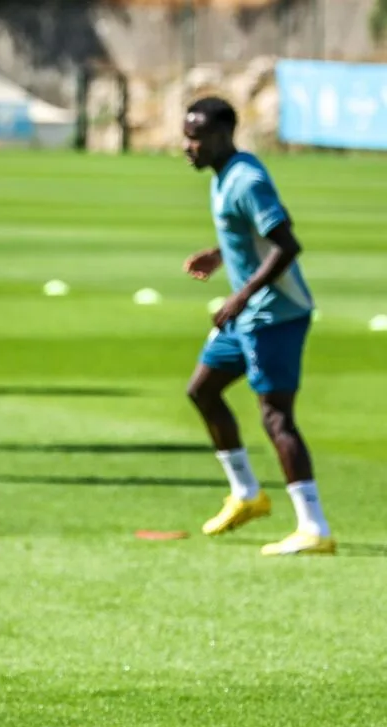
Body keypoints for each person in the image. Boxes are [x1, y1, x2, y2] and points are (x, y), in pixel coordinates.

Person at [181, 97, 332, 555]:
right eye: (186, 135)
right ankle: (248, 494)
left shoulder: (246, 180)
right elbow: (251, 235)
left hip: (274, 315)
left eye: (197, 137)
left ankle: (314, 528)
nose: (188, 146)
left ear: (225, 135)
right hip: (247, 315)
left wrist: (240, 295)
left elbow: (286, 244)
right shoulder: (224, 173)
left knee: (276, 417)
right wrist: (221, 252)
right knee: (202, 390)